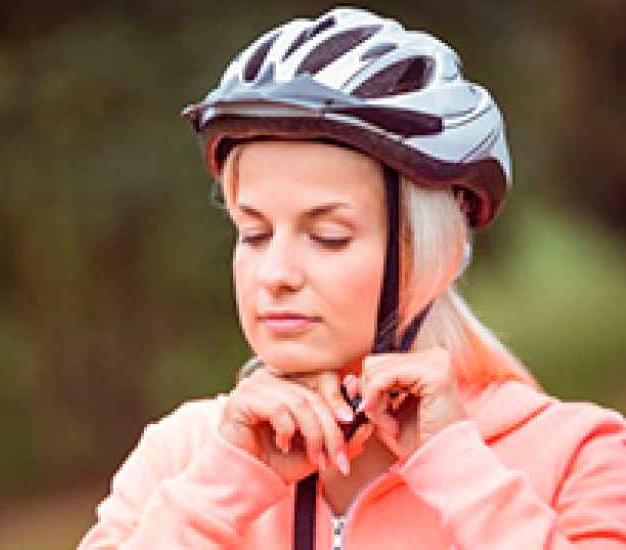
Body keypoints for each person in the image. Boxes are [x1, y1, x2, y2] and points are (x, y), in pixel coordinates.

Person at [78, 7, 626, 549]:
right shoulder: (184, 455)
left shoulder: (576, 454)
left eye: (328, 236)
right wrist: (222, 486)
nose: (275, 275)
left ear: (431, 253)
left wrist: (459, 471)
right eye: (254, 233)